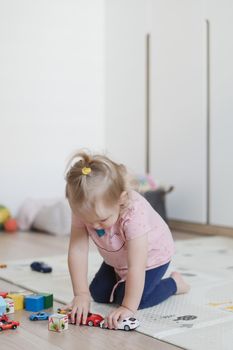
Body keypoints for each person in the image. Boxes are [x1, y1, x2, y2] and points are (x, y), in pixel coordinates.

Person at [65, 150, 190, 329]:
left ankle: (175, 284)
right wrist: (81, 294)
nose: (95, 227)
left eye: (102, 220)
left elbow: (136, 266)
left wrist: (128, 307)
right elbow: (77, 250)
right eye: (88, 221)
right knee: (98, 293)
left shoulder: (133, 213)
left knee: (133, 298)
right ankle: (119, 279)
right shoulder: (84, 208)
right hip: (118, 257)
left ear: (121, 200)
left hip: (151, 258)